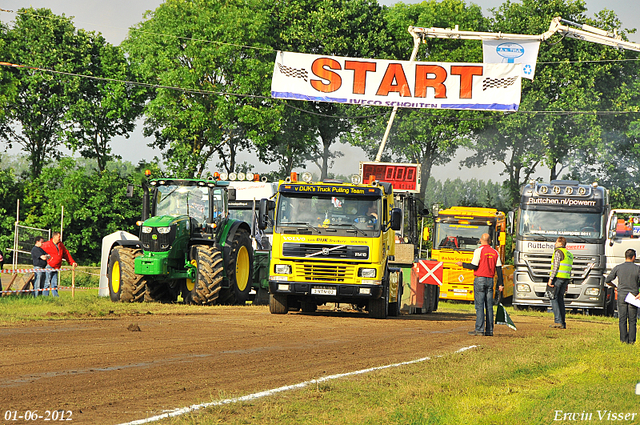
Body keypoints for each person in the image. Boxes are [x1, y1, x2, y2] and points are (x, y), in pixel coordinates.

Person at [456, 233, 504, 336]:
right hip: (490, 280)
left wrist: (462, 264)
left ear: (481, 241)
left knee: (479, 305)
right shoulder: (495, 252)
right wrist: (501, 284)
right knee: (489, 306)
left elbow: (474, 266)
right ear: (490, 241)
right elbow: (499, 269)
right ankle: (489, 330)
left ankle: (479, 329)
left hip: (480, 280)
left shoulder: (479, 251)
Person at [605, 249, 640, 344]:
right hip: (633, 296)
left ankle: (623, 340)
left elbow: (608, 280)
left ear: (625, 257)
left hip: (622, 295)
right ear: (633, 257)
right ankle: (631, 340)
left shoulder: (618, 267)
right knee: (632, 320)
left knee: (622, 319)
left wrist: (614, 286)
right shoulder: (638, 268)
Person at [547, 236, 573, 329]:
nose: (555, 244)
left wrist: (550, 278)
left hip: (558, 278)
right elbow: (569, 268)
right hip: (566, 279)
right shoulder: (569, 254)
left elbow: (556, 266)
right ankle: (563, 322)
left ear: (560, 243)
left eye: (556, 242)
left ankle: (558, 321)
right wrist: (567, 283)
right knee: (560, 299)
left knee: (553, 298)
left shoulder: (558, 252)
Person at [41, 232, 77, 297]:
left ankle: (55, 296)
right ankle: (45, 296)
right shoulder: (47, 244)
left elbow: (66, 253)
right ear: (54, 237)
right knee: (47, 282)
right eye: (59, 237)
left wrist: (72, 262)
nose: (60, 238)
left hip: (56, 267)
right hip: (49, 266)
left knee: (54, 283)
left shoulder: (60, 245)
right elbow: (38, 251)